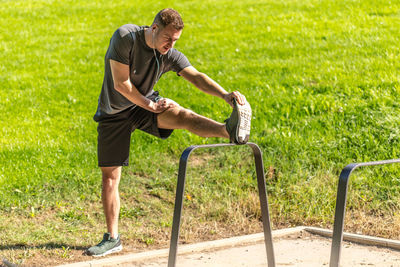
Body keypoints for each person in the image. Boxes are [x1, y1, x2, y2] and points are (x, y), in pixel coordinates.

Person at [86, 8, 252, 257]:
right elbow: (121, 84)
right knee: (110, 178)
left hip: (143, 104)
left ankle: (227, 131)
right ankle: (113, 237)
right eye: (168, 39)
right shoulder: (125, 38)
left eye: (176, 40)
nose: (171, 45)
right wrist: (151, 105)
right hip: (114, 113)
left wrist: (225, 95)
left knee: (182, 115)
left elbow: (196, 76)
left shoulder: (168, 53)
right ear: (154, 29)